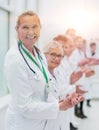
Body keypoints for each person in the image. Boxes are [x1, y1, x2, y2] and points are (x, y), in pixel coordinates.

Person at [4, 11, 84, 130]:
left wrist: (61, 101)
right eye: (25, 27)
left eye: (35, 27)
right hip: (23, 125)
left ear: (40, 28)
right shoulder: (15, 59)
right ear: (17, 29)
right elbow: (25, 106)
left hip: (41, 122)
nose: (30, 32)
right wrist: (58, 107)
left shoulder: (39, 54)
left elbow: (48, 86)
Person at [43, 40, 85, 130]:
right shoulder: (41, 74)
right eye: (53, 54)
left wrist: (72, 94)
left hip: (56, 119)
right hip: (43, 122)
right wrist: (61, 104)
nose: (57, 58)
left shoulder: (55, 72)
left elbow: (59, 90)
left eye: (59, 56)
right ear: (44, 54)